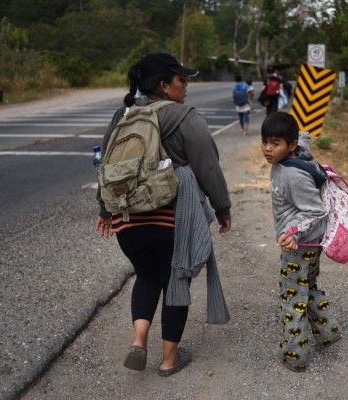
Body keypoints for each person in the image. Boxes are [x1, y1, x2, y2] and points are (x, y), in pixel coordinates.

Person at [95, 52, 232, 377]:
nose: (185, 86)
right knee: (176, 281)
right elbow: (208, 167)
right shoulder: (185, 117)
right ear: (163, 85)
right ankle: (169, 359)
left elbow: (105, 167)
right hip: (173, 219)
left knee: (146, 276)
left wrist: (104, 209)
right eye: (181, 80)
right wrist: (222, 207)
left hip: (128, 221)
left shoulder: (122, 116)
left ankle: (139, 340)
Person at [260, 112, 341, 372]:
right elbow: (303, 139)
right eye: (265, 142)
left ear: (290, 145)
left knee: (292, 297)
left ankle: (294, 355)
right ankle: (328, 332)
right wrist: (301, 137)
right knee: (310, 285)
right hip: (310, 241)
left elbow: (315, 210)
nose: (268, 149)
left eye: (275, 143)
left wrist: (293, 232)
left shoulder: (290, 175)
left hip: (298, 245)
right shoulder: (297, 153)